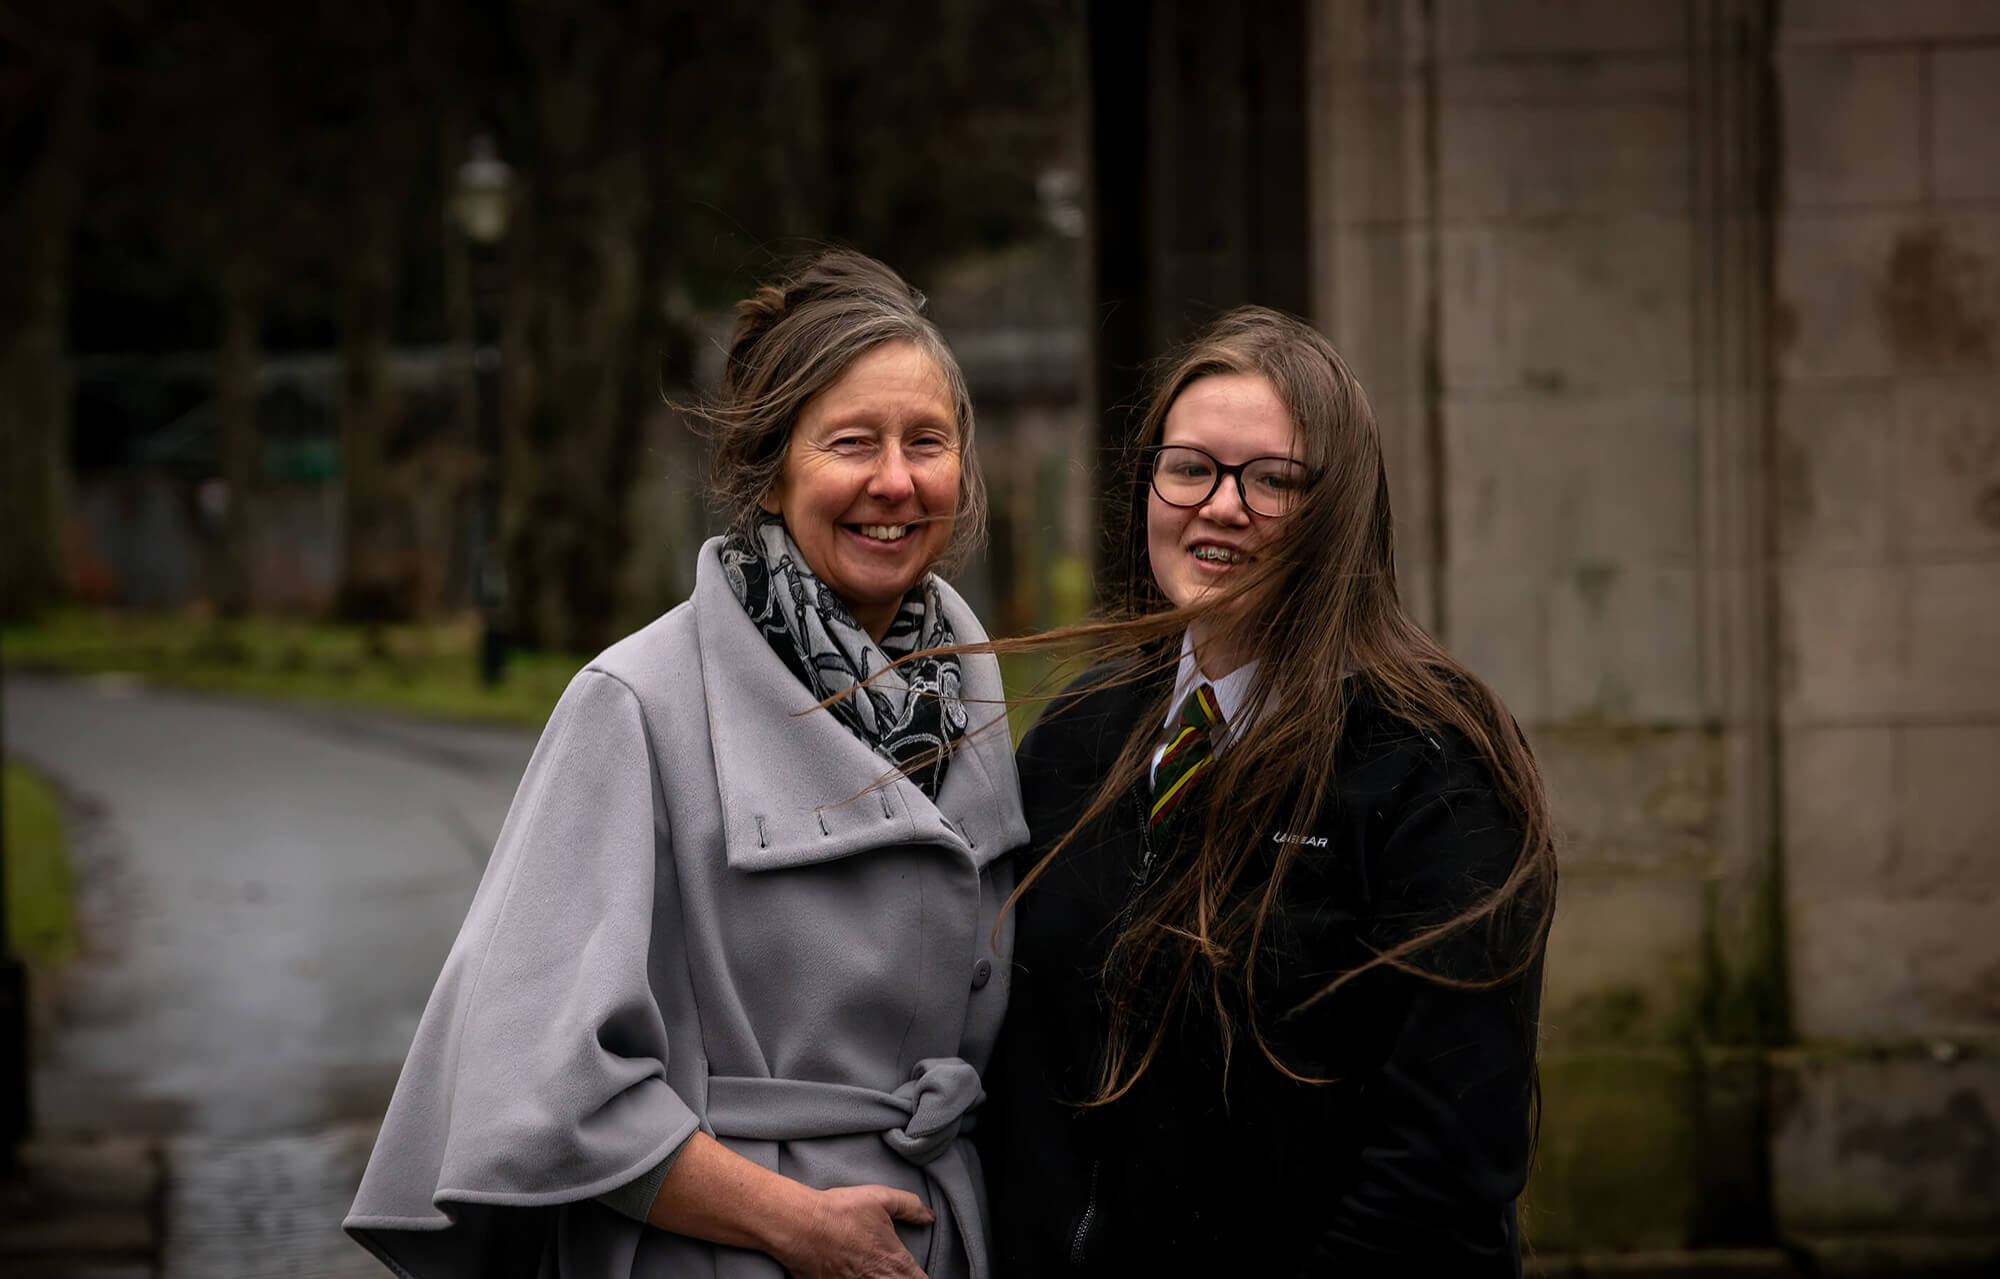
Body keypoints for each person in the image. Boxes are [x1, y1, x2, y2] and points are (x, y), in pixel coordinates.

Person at [346, 250, 1027, 1279]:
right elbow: (543, 1076)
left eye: (925, 442)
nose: (895, 480)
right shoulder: (635, 703)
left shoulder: (967, 694)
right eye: (852, 443)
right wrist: (790, 1223)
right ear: (770, 466)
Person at [978, 307, 1556, 1276]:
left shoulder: (1434, 764)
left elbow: (1441, 1168)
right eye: (1190, 466)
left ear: (1341, 513)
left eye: (1273, 480)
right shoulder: (1077, 734)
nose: (1221, 505)